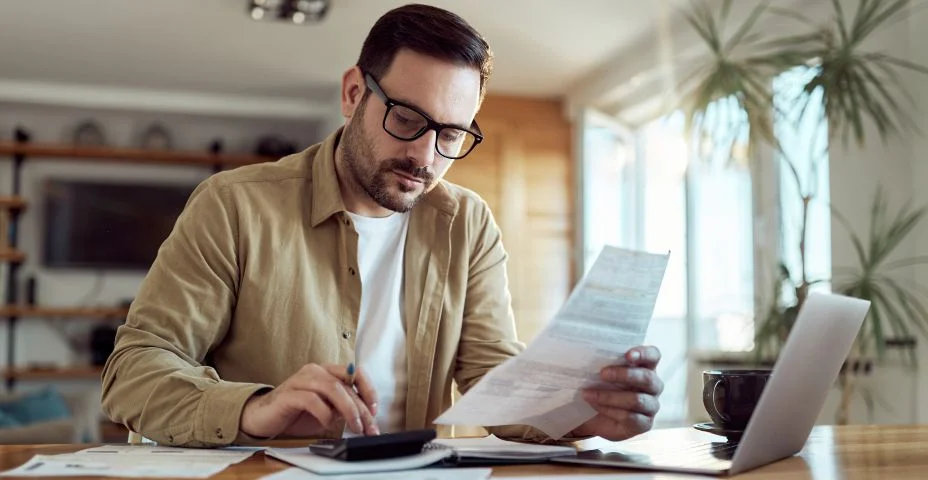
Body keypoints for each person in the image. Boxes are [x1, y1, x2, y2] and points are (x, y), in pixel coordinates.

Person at [101, 3, 664, 448]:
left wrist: (583, 414)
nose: (425, 155)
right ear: (353, 95)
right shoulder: (233, 206)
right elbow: (134, 370)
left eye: (451, 134)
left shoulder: (466, 224)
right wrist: (255, 407)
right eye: (407, 119)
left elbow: (492, 376)